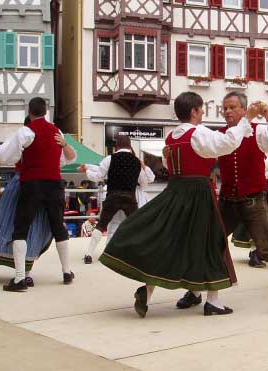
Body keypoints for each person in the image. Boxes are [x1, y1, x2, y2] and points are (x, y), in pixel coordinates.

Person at [99, 92, 253, 317]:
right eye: (201, 110)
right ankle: (213, 301)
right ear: (194, 112)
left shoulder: (171, 137)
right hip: (198, 193)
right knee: (212, 243)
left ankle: (149, 291)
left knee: (168, 242)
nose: (202, 114)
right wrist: (246, 120)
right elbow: (227, 143)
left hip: (174, 192)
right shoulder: (198, 133)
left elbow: (169, 165)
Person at [176, 92, 268, 316]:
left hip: (253, 200)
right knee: (210, 244)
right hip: (228, 200)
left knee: (266, 249)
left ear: (243, 110)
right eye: (225, 108)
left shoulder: (258, 131)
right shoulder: (220, 135)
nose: (228, 111)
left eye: (232, 107)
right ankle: (201, 294)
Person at [0, 97, 77, 292]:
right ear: (46, 111)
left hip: (32, 184)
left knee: (21, 227)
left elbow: (4, 155)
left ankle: (20, 279)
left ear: (29, 112)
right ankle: (66, 272)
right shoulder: (57, 131)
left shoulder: (26, 131)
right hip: (55, 184)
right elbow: (69, 158)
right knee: (58, 227)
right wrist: (64, 145)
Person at [80, 138, 155, 263]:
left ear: (116, 147)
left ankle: (89, 255)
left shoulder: (110, 159)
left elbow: (98, 175)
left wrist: (87, 171)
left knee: (102, 225)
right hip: (130, 197)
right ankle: (141, 255)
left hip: (113, 196)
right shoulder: (137, 161)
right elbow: (144, 182)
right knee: (137, 226)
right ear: (130, 146)